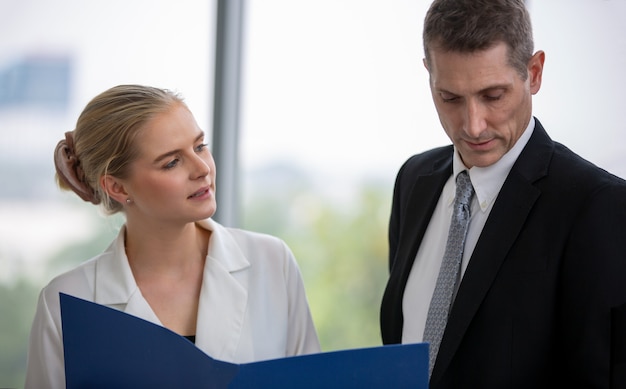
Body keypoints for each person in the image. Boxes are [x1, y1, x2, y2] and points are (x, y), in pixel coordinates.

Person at [380, 0, 626, 387]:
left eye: (493, 96)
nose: (473, 125)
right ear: (428, 74)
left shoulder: (597, 207)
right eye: (451, 98)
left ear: (534, 72)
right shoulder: (414, 180)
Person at [25, 84, 320, 388]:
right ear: (118, 187)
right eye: (172, 162)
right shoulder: (66, 302)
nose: (202, 168)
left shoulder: (272, 262)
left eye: (200, 146)